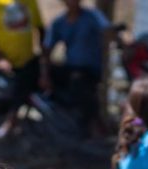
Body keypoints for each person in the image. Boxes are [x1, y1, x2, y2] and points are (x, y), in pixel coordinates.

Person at [40, 0, 116, 136]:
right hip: (71, 68)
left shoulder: (93, 16)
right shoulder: (59, 23)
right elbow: (47, 49)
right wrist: (44, 74)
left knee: (80, 83)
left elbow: (108, 31)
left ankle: (92, 125)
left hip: (89, 71)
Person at [0, 0, 45, 139]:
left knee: (26, 78)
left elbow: (41, 29)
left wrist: (44, 58)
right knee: (3, 96)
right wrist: (0, 59)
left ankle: (12, 120)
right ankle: (2, 124)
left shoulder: (30, 2)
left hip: (26, 64)